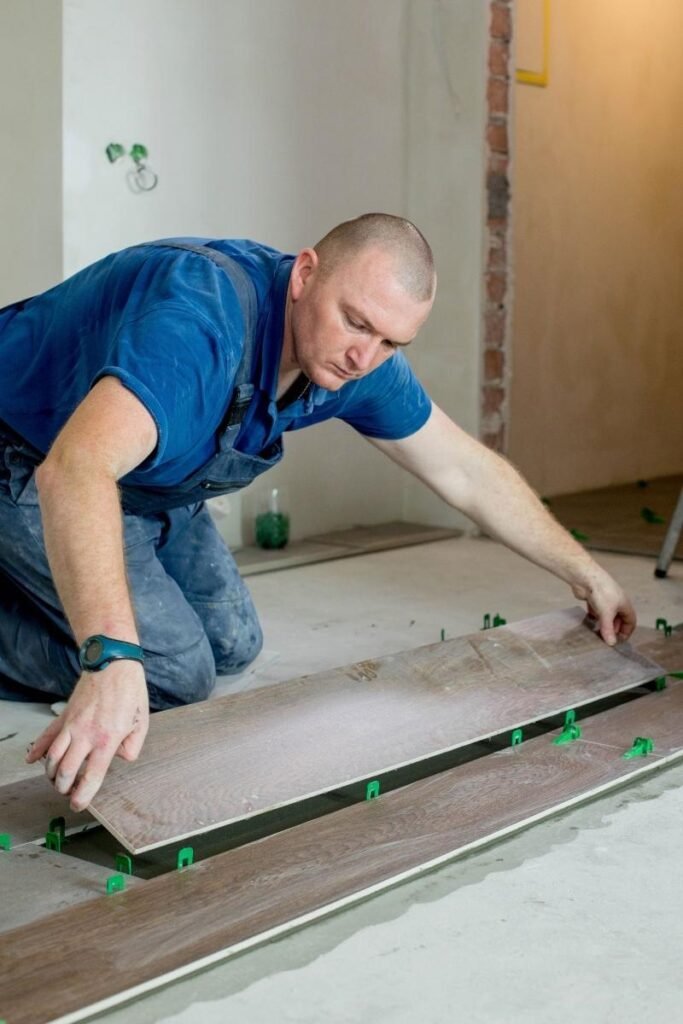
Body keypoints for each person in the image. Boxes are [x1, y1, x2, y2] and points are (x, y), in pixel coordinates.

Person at [0, 213, 635, 811]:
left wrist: (588, 574)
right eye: (356, 323)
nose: (365, 357)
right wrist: (110, 657)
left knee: (232, 642)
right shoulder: (200, 318)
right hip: (30, 455)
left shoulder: (358, 359)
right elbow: (77, 469)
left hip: (146, 485)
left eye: (391, 341)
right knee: (171, 672)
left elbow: (464, 471)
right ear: (305, 274)